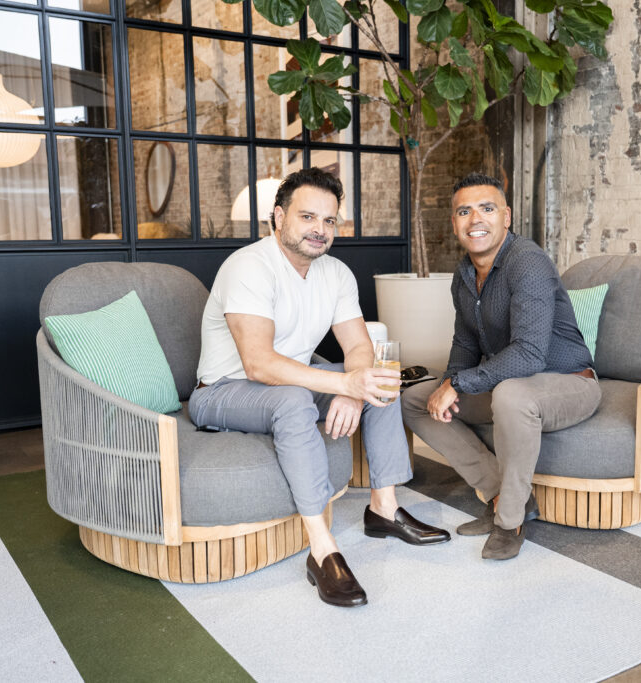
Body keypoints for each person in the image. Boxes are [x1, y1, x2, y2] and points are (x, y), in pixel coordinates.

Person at [190, 167, 449, 608]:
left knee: (380, 378)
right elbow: (258, 363)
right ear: (279, 217)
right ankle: (322, 547)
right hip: (223, 390)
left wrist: (353, 389)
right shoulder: (248, 267)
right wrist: (343, 380)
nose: (320, 229)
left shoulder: (336, 274)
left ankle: (384, 508)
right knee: (294, 401)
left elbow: (359, 347)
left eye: (329, 221)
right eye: (307, 217)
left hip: (290, 380)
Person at [402, 172, 601, 560]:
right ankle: (501, 494)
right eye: (464, 211)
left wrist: (458, 384)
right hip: (512, 383)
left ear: (506, 217)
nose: (475, 219)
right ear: (455, 223)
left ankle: (510, 523)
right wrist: (447, 383)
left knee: (511, 395)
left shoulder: (528, 263)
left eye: (486, 208)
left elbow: (529, 354)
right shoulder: (463, 275)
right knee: (414, 399)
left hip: (569, 382)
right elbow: (465, 344)